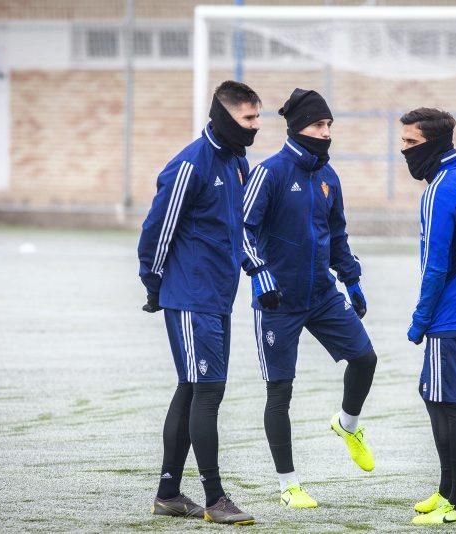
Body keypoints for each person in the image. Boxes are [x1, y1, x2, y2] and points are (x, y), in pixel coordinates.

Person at [241, 88, 378, 508]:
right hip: (277, 303)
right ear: (298, 127)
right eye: (319, 125)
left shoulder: (328, 177)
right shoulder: (269, 173)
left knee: (365, 358)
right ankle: (289, 485)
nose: (326, 132)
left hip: (322, 295)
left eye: (330, 125)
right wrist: (260, 274)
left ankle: (347, 424)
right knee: (280, 392)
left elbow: (337, 234)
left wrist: (351, 279)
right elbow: (241, 229)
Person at [137, 80, 260, 525]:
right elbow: (158, 228)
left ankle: (169, 494)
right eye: (249, 118)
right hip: (189, 297)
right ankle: (215, 498)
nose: (256, 127)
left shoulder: (237, 163)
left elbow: (235, 230)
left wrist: (256, 269)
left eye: (257, 117)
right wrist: (152, 282)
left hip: (217, 296)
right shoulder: (190, 164)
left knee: (192, 389)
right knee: (207, 392)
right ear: (226, 116)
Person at [401, 108, 456, 526]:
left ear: (434, 144)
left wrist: (420, 320)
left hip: (451, 315)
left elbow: (435, 266)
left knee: (453, 405)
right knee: (435, 397)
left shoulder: (441, 189)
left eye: (411, 143)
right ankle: (446, 491)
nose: (404, 150)